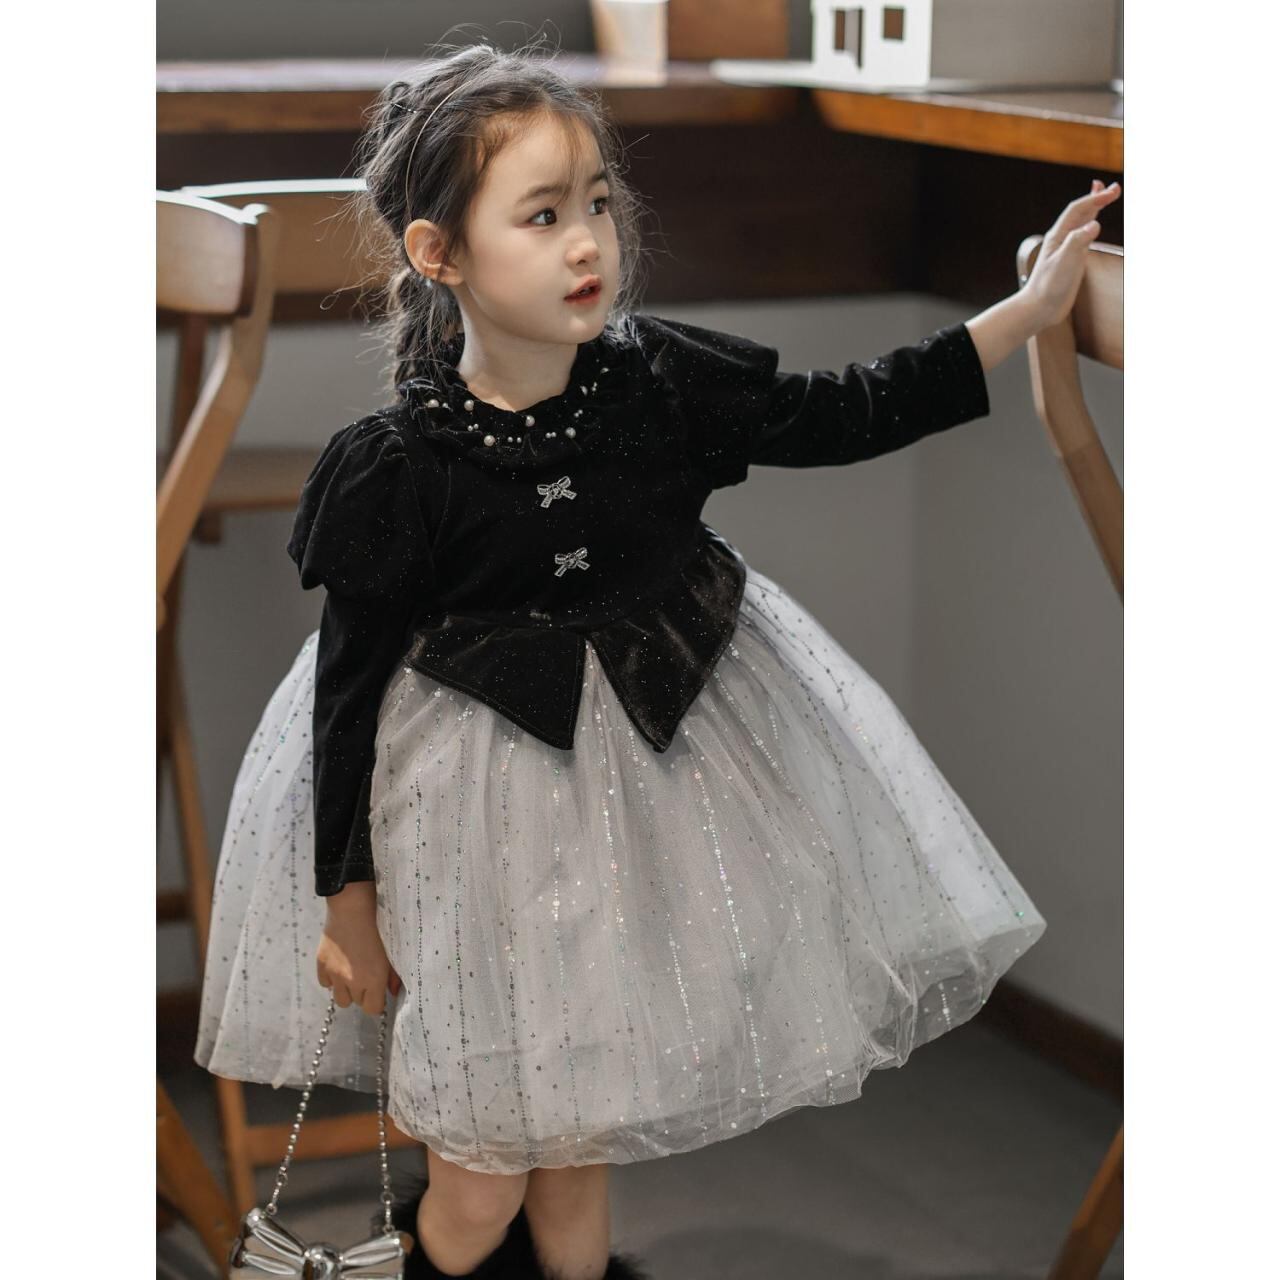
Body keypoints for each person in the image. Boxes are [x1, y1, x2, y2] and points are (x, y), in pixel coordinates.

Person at [195, 36, 1119, 1280]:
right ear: (439, 254)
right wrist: (348, 906)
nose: (587, 241)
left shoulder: (657, 383)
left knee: (577, 1152)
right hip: (469, 836)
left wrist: (1020, 312)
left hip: (624, 814)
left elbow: (845, 410)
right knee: (479, 1184)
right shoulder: (397, 470)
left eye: (595, 204)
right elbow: (346, 701)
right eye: (541, 216)